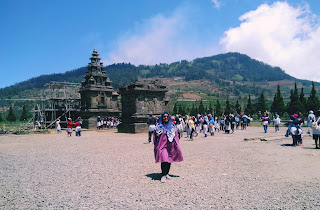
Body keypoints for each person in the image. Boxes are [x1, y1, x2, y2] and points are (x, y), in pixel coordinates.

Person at [153, 112, 183, 183]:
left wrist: (176, 144)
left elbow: (176, 136)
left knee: (169, 160)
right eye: (164, 116)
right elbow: (155, 136)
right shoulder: (158, 127)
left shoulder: (172, 126)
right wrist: (156, 145)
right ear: (162, 118)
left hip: (170, 146)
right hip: (162, 146)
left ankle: (167, 173)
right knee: (164, 159)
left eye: (167, 116)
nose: (166, 118)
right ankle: (163, 174)